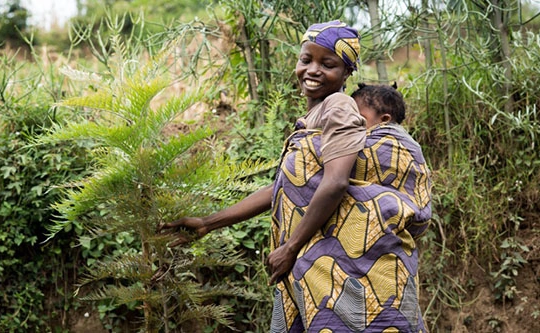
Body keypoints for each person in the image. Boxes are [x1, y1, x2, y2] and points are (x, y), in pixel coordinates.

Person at [161, 21, 432, 333]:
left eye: (327, 64)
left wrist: (290, 247)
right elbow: (283, 189)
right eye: (306, 60)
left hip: (341, 270)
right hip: (313, 270)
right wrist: (208, 223)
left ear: (346, 74)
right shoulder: (315, 117)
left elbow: (335, 183)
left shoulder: (339, 106)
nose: (312, 70)